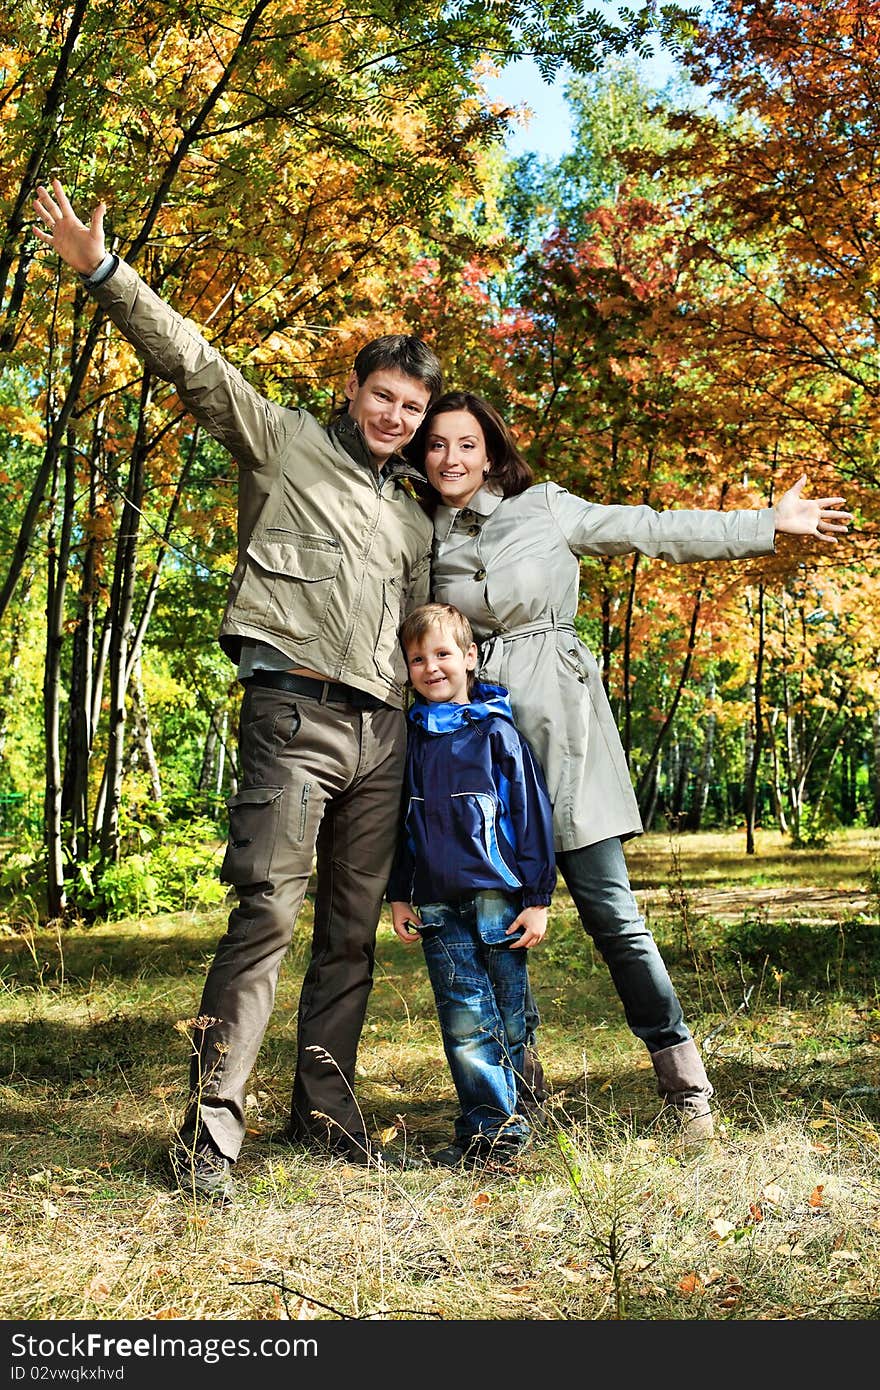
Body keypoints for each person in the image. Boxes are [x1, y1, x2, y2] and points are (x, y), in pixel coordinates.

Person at [33, 178, 444, 1200]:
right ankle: (211, 1129)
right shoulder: (284, 439)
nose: (394, 414)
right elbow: (193, 361)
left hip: (384, 735)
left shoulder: (416, 520)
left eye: (412, 406)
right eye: (382, 396)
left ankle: (325, 1108)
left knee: (349, 933)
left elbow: (430, 635)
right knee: (264, 914)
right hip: (293, 715)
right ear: (353, 392)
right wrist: (104, 272)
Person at [410, 390, 853, 1143]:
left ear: (491, 451)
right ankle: (518, 1092)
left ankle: (686, 1091)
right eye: (436, 446)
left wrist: (764, 525)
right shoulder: (423, 538)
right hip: (477, 758)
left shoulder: (546, 507)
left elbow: (648, 528)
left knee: (613, 916)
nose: (451, 459)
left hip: (564, 731)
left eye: (466, 444)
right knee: (488, 927)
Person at [387, 602, 556, 1167]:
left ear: (469, 657)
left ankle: (522, 1106)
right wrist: (399, 893)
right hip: (437, 904)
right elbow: (401, 824)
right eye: (418, 659)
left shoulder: (497, 734)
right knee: (464, 1019)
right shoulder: (409, 740)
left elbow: (530, 817)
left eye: (442, 654)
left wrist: (536, 899)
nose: (431, 667)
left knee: (510, 1012)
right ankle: (491, 1134)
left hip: (498, 897)